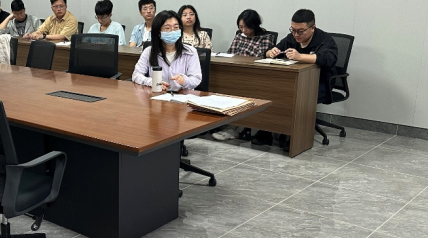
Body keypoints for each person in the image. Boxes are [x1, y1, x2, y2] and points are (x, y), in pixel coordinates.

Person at [211, 10, 277, 141]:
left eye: (247, 27)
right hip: (236, 71)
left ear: (255, 25)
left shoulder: (266, 37)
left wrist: (243, 56)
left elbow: (260, 56)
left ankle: (235, 127)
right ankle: (224, 124)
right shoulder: (239, 35)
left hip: (255, 75)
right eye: (241, 27)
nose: (244, 30)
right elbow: (231, 53)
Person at [267, 9, 337, 101]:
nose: (296, 35)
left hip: (320, 82)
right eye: (293, 30)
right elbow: (269, 50)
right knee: (272, 89)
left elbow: (327, 58)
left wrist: (299, 57)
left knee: (294, 95)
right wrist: (271, 52)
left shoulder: (325, 39)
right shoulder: (291, 37)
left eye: (300, 31)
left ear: (312, 28)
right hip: (295, 79)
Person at [132, 10, 201, 91]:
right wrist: (152, 82)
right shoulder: (149, 51)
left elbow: (196, 79)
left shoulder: (190, 52)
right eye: (167, 28)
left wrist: (184, 80)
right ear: (158, 32)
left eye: (176, 27)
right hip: (157, 94)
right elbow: (136, 75)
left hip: (182, 95)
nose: (173, 31)